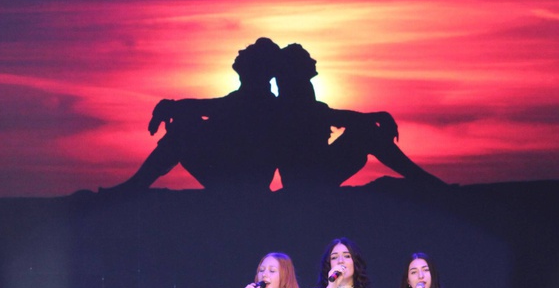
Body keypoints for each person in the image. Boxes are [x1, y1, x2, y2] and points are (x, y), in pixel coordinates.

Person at [112, 37, 282, 192]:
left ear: (257, 65)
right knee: (184, 123)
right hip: (236, 174)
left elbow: (210, 108)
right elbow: (209, 109)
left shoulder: (258, 99)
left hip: (242, 181)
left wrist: (170, 107)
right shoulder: (247, 97)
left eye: (248, 51)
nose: (240, 51)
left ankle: (135, 186)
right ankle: (136, 184)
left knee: (183, 127)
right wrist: (172, 107)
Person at [274, 44, 444, 191]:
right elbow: (333, 117)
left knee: (365, 129)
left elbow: (330, 116)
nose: (313, 61)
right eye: (307, 58)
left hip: (314, 173)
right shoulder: (292, 103)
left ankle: (423, 179)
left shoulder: (302, 102)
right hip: (309, 179)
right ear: (296, 67)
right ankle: (425, 181)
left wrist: (375, 117)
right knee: (365, 131)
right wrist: (377, 117)